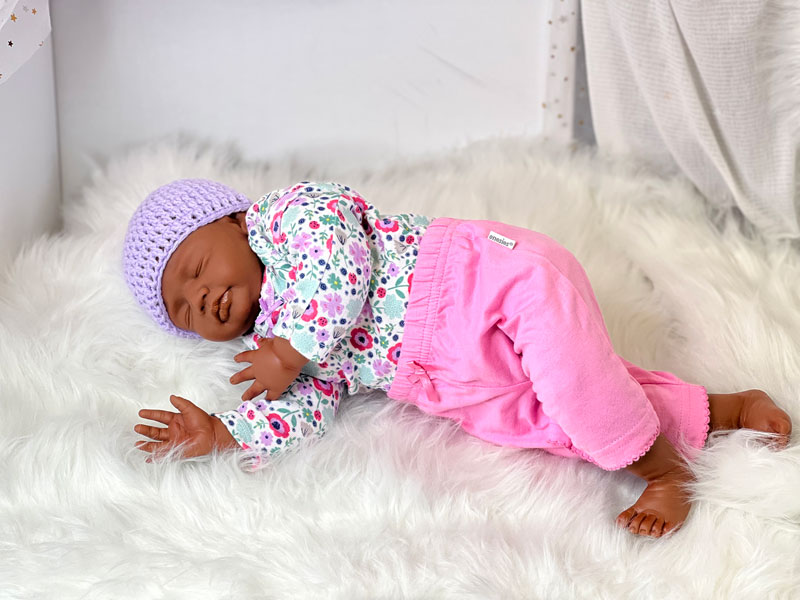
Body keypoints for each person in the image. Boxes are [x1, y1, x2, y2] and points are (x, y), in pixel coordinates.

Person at [124, 179, 792, 538]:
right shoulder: (271, 346)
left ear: (233, 222)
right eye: (183, 309)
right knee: (558, 416)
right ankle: (725, 409)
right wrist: (226, 432)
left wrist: (293, 348)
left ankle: (664, 471)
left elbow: (339, 263)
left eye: (196, 268)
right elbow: (304, 406)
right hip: (450, 376)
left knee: (579, 393)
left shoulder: (289, 218)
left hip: (487, 283)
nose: (200, 296)